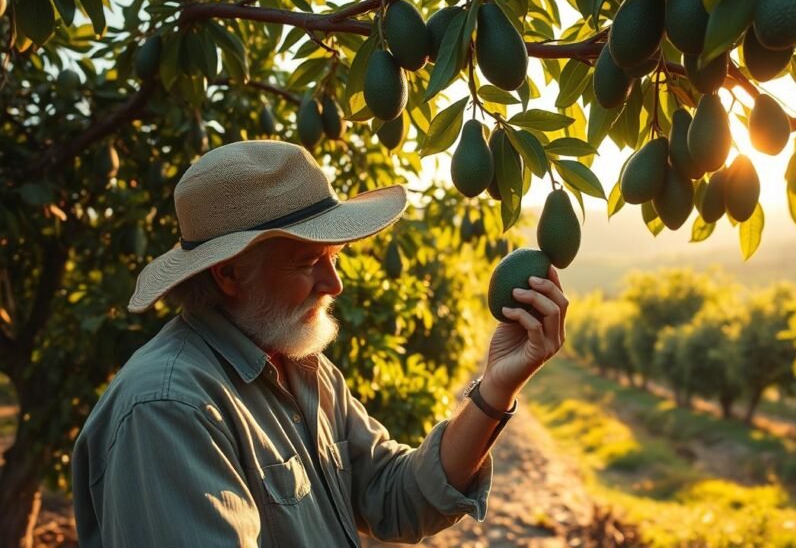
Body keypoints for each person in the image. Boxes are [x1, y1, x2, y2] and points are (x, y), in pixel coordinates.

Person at [71, 140, 569, 547]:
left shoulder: (303, 369)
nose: (335, 285)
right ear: (228, 274)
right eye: (310, 262)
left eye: (334, 258)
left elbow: (396, 498)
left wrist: (498, 386)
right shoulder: (171, 408)